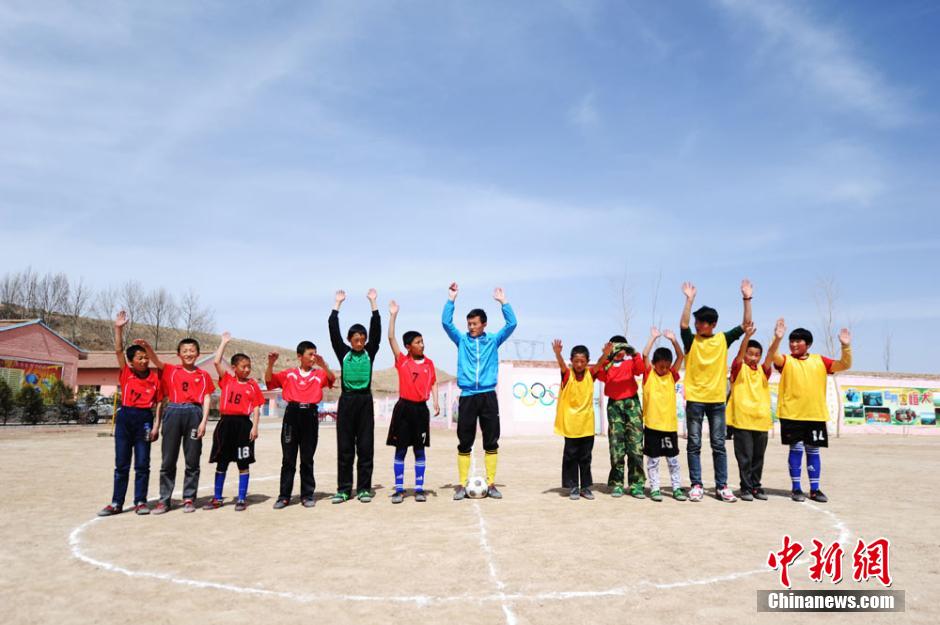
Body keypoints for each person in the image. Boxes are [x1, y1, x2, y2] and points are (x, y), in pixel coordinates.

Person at [679, 279, 753, 503]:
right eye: (696, 321)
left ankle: (722, 486)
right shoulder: (691, 341)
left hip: (717, 400)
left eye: (701, 322)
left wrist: (747, 298)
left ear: (712, 324)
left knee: (719, 445)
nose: (697, 325)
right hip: (695, 399)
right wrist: (689, 300)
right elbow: (683, 325)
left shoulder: (722, 339)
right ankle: (696, 485)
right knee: (694, 444)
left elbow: (746, 324)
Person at [442, 282, 517, 500]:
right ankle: (462, 484)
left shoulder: (493, 340)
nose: (471, 327)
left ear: (484, 324)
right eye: (469, 324)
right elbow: (446, 323)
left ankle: (491, 483)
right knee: (464, 442)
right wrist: (451, 299)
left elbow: (512, 324)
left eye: (474, 324)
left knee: (491, 441)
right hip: (467, 396)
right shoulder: (462, 340)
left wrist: (504, 302)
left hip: (488, 396)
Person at [767, 318, 852, 503]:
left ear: (808, 344)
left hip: (815, 415)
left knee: (813, 451)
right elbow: (772, 355)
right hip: (791, 414)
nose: (793, 344)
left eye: (798, 341)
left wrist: (845, 346)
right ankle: (796, 488)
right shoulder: (786, 360)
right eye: (791, 341)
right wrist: (777, 338)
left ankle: (815, 489)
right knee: (796, 449)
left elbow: (844, 365)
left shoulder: (820, 360)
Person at [139, 337, 215, 514]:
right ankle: (164, 500)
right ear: (179, 354)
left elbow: (206, 398)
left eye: (192, 351)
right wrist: (147, 347)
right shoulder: (171, 370)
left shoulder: (203, 375)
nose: (188, 354)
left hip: (194, 414)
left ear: (198, 354)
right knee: (168, 460)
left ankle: (189, 498)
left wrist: (203, 422)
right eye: (185, 351)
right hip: (173, 411)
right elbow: (156, 361)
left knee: (192, 460)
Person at [97, 311, 162, 516]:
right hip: (125, 418)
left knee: (142, 464)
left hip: (144, 420)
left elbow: (160, 402)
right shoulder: (126, 373)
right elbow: (118, 350)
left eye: (146, 357)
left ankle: (140, 501)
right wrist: (118, 328)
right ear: (131, 361)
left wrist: (156, 426)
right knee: (121, 464)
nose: (144, 360)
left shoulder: (155, 378)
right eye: (139, 358)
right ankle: (116, 503)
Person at [266, 340, 336, 509]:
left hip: (310, 415)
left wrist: (324, 365)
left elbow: (331, 379)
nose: (313, 358)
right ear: (299, 356)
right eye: (310, 354)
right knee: (288, 458)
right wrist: (270, 364)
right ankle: (284, 496)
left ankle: (307, 495)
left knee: (307, 458)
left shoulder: (319, 374)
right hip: (292, 415)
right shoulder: (289, 374)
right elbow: (270, 381)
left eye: (315, 354)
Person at [329, 289, 381, 503]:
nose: (359, 343)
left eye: (362, 340)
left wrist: (373, 303)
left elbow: (376, 331)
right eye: (356, 340)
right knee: (345, 447)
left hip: (365, 401)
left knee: (366, 447)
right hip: (347, 401)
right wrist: (337, 306)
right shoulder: (344, 353)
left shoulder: (370, 352)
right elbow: (333, 332)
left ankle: (364, 489)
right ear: (350, 340)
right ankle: (343, 489)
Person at [203, 333, 264, 511]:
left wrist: (255, 427)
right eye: (243, 367)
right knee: (222, 462)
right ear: (234, 368)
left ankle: (241, 499)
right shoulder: (227, 380)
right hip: (225, 424)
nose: (247, 370)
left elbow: (256, 407)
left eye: (249, 367)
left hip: (243, 426)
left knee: (243, 462)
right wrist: (223, 342)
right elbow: (216, 362)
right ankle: (217, 498)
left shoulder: (252, 385)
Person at [386, 300, 440, 503]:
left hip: (420, 410)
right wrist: (393, 315)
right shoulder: (402, 361)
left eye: (422, 341)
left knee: (419, 450)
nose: (422, 344)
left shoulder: (429, 363)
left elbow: (433, 382)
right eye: (418, 342)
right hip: (403, 409)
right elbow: (391, 338)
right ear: (408, 346)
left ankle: (419, 489)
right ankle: (399, 490)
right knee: (401, 449)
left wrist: (436, 402)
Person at [551, 339, 611, 500]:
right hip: (571, 425)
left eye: (582, 361)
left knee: (585, 458)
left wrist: (605, 354)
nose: (579, 364)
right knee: (570, 457)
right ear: (571, 361)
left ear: (587, 362)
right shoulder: (567, 374)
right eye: (576, 361)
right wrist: (558, 354)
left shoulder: (590, 374)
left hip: (587, 425)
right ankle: (573, 487)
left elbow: (599, 364)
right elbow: (562, 365)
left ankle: (585, 487)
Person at [726, 322, 773, 501]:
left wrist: (777, 338)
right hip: (742, 421)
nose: (753, 357)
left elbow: (770, 356)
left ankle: (756, 486)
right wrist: (746, 337)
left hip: (760, 421)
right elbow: (739, 356)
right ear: (745, 354)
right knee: (745, 457)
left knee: (758, 457)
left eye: (757, 355)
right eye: (750, 353)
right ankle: (745, 487)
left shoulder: (763, 371)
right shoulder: (739, 369)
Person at [595, 335, 645, 498]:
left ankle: (637, 484)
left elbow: (641, 370)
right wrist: (606, 355)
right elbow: (600, 374)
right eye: (616, 348)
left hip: (632, 405)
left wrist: (634, 353)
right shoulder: (607, 364)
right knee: (616, 447)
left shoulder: (630, 362)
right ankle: (617, 483)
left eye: (622, 348)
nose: (619, 352)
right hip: (614, 406)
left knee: (635, 446)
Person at [640, 327, 686, 502]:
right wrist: (653, 338)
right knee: (653, 461)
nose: (665, 369)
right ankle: (655, 488)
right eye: (661, 366)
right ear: (654, 364)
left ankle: (676, 488)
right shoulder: (649, 374)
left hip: (669, 427)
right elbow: (645, 354)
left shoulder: (671, 375)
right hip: (652, 426)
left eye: (667, 366)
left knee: (673, 460)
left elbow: (680, 356)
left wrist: (674, 340)